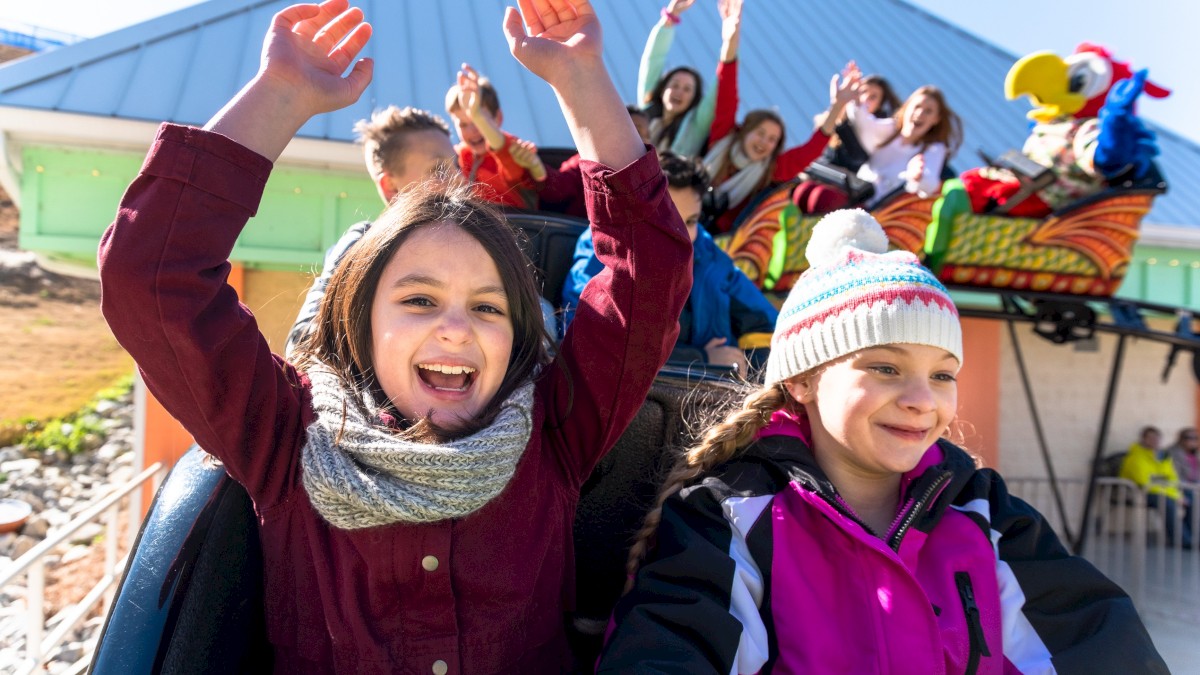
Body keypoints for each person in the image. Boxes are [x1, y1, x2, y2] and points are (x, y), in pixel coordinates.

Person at [98, 1, 693, 672]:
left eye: (489, 308)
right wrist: (282, 95)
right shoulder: (284, 435)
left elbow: (649, 273)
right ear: (361, 319)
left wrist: (583, 79)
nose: (456, 326)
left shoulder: (556, 430)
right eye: (418, 298)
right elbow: (152, 275)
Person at [598, 209, 1166, 673]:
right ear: (802, 379)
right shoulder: (727, 519)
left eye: (943, 375)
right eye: (886, 368)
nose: (923, 399)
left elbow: (1100, 645)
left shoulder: (986, 514)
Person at [562, 152, 777, 373]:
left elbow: (767, 325)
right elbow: (589, 344)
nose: (680, 234)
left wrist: (750, 373)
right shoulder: (602, 247)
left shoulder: (706, 250)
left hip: (712, 394)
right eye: (667, 218)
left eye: (691, 221)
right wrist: (699, 359)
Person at [284, 105, 458, 355]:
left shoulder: (482, 248)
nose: (459, 179)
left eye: (457, 166)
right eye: (438, 170)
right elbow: (302, 344)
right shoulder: (360, 247)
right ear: (391, 186)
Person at [701, 0, 862, 234]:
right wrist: (730, 41)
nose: (765, 143)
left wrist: (837, 106)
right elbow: (727, 88)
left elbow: (811, 149)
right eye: (761, 134)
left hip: (719, 241)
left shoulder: (771, 169)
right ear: (746, 131)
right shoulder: (723, 136)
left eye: (772, 140)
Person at [793, 82, 963, 215]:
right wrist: (855, 99)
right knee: (805, 191)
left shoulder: (932, 149)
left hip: (881, 212)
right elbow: (865, 123)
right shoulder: (890, 131)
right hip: (857, 194)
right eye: (917, 107)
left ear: (936, 119)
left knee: (822, 198)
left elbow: (929, 182)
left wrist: (917, 176)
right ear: (907, 108)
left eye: (928, 111)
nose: (920, 114)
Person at [638, 0, 734, 158]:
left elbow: (721, 87)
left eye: (687, 89)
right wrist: (670, 17)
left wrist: (730, 40)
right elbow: (653, 59)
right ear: (662, 89)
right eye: (674, 85)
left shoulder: (696, 126)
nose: (679, 92)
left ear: (694, 98)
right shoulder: (646, 112)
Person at [444, 62, 544, 208]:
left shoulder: (510, 147)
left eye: (478, 121)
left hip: (514, 223)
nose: (473, 130)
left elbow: (503, 151)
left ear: (497, 118)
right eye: (463, 125)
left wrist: (477, 114)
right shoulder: (458, 156)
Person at [533, 104, 652, 218]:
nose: (644, 140)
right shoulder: (587, 161)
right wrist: (536, 168)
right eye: (637, 131)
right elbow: (558, 187)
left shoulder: (651, 177)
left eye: (647, 135)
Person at [1120, 425, 1194, 548]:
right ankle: (1183, 541)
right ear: (1143, 439)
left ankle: (1192, 536)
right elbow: (1144, 481)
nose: (1155, 441)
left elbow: (1172, 478)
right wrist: (1174, 494)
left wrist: (1177, 494)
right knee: (1167, 501)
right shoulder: (1136, 456)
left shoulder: (1163, 456)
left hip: (1162, 491)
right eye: (1151, 438)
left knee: (1192, 497)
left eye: (1157, 438)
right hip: (1141, 492)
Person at [819, 72, 901, 174]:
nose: (865, 98)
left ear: (880, 105)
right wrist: (838, 104)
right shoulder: (835, 118)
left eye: (873, 97)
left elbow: (856, 157)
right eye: (862, 92)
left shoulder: (881, 130)